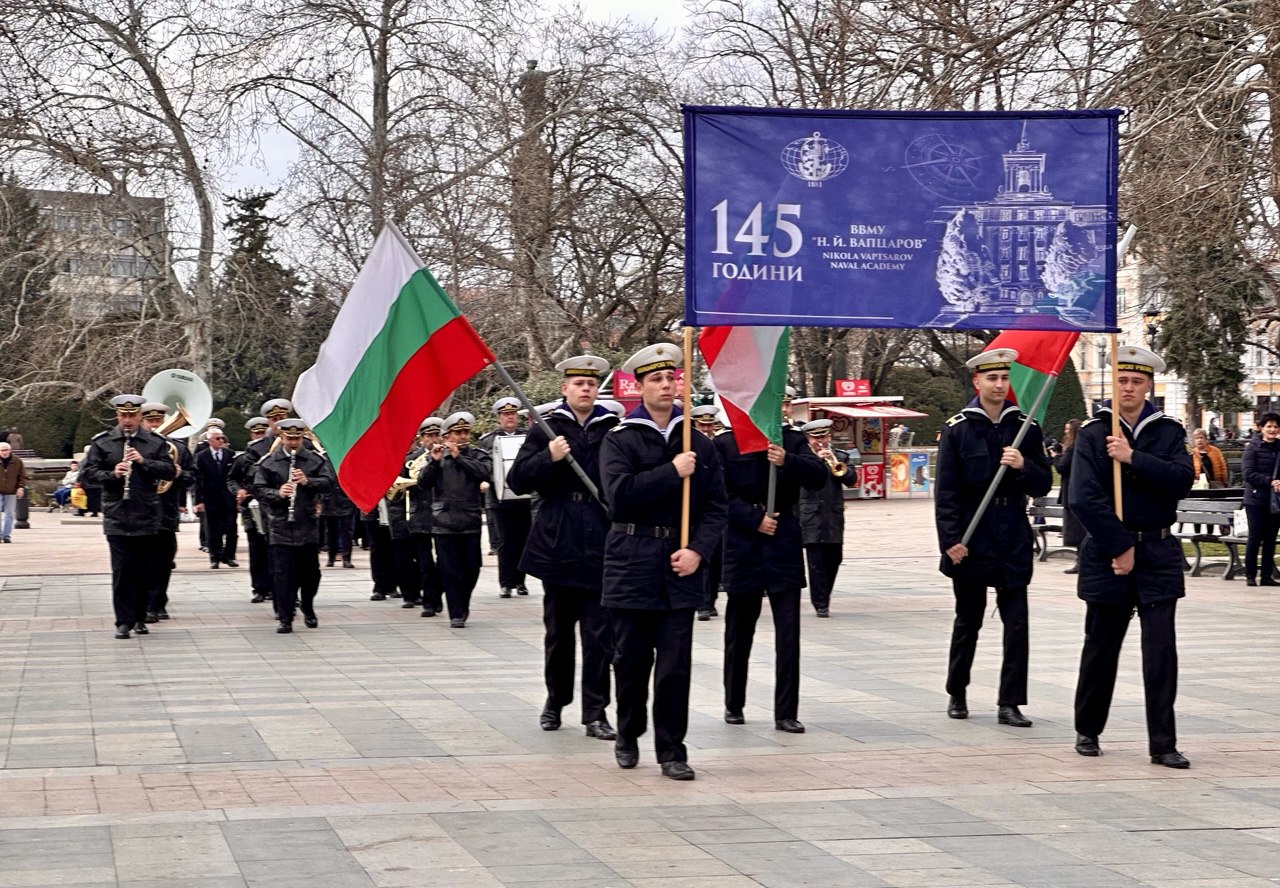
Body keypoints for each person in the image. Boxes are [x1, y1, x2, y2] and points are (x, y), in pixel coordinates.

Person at [599, 343, 728, 780]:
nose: (666, 385)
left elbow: (716, 507)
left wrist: (698, 551)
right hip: (631, 561)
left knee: (674, 667)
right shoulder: (619, 438)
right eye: (656, 379)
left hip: (679, 564)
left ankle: (672, 750)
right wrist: (672, 471)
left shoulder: (697, 441)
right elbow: (619, 497)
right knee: (630, 663)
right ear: (639, 387)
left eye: (671, 378)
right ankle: (628, 732)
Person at [1069, 344, 1194, 768]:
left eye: (1137, 381)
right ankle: (1088, 728)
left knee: (1161, 654)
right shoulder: (1093, 432)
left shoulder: (1168, 431)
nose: (1128, 387)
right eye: (1122, 380)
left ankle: (1163, 743)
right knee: (1101, 647)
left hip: (1157, 551)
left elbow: (1180, 480)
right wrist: (1120, 546)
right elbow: (1083, 497)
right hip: (1109, 555)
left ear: (1148, 387)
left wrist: (1133, 458)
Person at [935, 347, 1051, 727]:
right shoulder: (958, 429)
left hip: (1012, 531)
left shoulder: (1025, 427)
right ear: (977, 382)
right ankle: (957, 691)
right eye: (992, 378)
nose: (999, 385)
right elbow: (947, 491)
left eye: (1004, 378)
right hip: (973, 533)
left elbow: (1043, 483)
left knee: (1017, 623)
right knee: (968, 620)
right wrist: (950, 539)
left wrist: (1023, 465)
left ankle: (1010, 702)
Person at [507, 355, 619, 740]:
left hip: (600, 540)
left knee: (599, 637)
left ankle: (596, 712)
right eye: (578, 384)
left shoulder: (612, 428)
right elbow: (517, 480)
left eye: (591, 384)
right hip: (559, 540)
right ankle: (555, 701)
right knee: (558, 634)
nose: (586, 389)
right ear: (565, 389)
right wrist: (548, 457)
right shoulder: (547, 428)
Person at [717, 400, 826, 733]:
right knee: (739, 631)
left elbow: (818, 477)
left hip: (783, 540)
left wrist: (787, 460)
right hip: (744, 543)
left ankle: (786, 711)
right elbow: (718, 494)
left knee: (788, 633)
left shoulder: (790, 439)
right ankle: (734, 702)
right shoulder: (726, 442)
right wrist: (753, 519)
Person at [79, 394, 177, 639]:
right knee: (122, 571)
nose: (127, 420)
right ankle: (123, 621)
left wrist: (144, 462)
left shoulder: (154, 442)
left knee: (145, 570)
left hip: (147, 514)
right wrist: (112, 474)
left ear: (140, 416)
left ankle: (141, 617)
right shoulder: (103, 442)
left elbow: (169, 471)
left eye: (132, 415)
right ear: (117, 415)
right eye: (123, 415)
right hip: (117, 515)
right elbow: (87, 474)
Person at [250, 418, 334, 633]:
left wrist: (308, 482)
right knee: (283, 574)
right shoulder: (269, 462)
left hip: (307, 524)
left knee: (311, 574)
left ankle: (307, 605)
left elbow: (329, 483)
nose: (294, 443)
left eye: (297, 438)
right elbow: (258, 489)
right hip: (280, 525)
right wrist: (277, 493)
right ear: (281, 437)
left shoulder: (314, 460)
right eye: (289, 439)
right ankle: (285, 617)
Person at [419, 412, 491, 628]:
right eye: (457, 432)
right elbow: (423, 483)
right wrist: (434, 462)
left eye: (465, 432)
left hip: (470, 521)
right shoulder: (437, 457)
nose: (462, 436)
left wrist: (460, 457)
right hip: (444, 522)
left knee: (472, 568)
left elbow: (485, 472)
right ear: (447, 436)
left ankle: (463, 603)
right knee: (449, 570)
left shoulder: (477, 455)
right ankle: (456, 613)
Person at [140, 402, 196, 622]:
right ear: (142, 422)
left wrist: (179, 473)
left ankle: (158, 602)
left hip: (166, 511)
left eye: (158, 421)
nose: (154, 425)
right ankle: (146, 603)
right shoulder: (135, 447)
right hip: (141, 511)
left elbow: (193, 477)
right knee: (143, 560)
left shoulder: (178, 448)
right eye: (150, 421)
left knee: (164, 560)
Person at [798, 419, 859, 617]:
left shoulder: (840, 456)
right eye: (815, 438)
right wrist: (816, 461)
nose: (820, 441)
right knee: (816, 562)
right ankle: (820, 603)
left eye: (823, 437)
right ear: (808, 439)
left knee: (834, 559)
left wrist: (836, 463)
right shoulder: (802, 458)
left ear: (829, 437)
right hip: (811, 514)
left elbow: (852, 480)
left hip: (833, 515)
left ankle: (825, 595)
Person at [478, 397, 534, 598]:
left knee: (523, 541)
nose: (510, 417)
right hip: (499, 500)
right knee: (505, 543)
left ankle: (521, 582)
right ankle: (506, 583)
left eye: (512, 414)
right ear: (499, 417)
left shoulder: (527, 436)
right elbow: (485, 467)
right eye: (505, 414)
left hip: (523, 499)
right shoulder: (488, 440)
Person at [228, 417, 273, 603]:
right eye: (257, 433)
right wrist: (238, 490)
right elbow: (232, 479)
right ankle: (259, 588)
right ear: (251, 435)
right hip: (252, 508)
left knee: (276, 550)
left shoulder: (275, 456)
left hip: (272, 507)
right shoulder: (243, 458)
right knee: (257, 549)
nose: (259, 437)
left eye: (263, 433)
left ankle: (278, 588)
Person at [405, 418, 444, 616]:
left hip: (443, 516)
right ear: (421, 438)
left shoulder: (448, 456)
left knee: (444, 562)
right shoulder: (412, 459)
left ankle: (437, 594)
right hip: (420, 514)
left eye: (436, 435)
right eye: (429, 436)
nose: (433, 439)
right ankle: (429, 602)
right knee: (425, 564)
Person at [689, 405, 725, 621]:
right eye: (702, 425)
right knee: (700, 556)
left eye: (709, 425)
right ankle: (702, 603)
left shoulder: (719, 445)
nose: (706, 429)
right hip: (696, 509)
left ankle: (710, 601)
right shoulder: (690, 444)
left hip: (715, 510)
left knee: (716, 559)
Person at [1241, 412, 1280, 587]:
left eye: (1276, 426)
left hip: (1275, 500)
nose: (1272, 429)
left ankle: (1266, 575)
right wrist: (1270, 481)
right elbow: (1248, 474)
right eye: (1269, 426)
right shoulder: (1252, 448)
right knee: (1255, 537)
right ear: (1261, 428)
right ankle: (1250, 574)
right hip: (1255, 500)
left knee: (1270, 539)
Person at [195, 428, 239, 569]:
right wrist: (199, 501)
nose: (221, 440)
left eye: (222, 438)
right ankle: (215, 558)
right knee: (213, 529)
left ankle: (229, 556)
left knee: (231, 527)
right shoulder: (201, 456)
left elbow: (235, 476)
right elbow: (198, 480)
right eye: (217, 438)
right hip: (211, 498)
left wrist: (237, 494)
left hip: (229, 498)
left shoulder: (230, 454)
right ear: (210, 441)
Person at [1057, 419, 1087, 575]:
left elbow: (1062, 466)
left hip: (1071, 492)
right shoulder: (1078, 446)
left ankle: (1081, 562)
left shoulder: (1073, 447)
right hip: (1073, 491)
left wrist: (1055, 456)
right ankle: (1080, 561)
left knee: (1077, 530)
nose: (1065, 432)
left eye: (1068, 429)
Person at [0, 442, 27, 541]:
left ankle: (6, 535)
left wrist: (20, 487)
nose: (5, 452)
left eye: (6, 450)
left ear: (10, 450)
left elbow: (22, 475)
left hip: (11, 490)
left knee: (9, 513)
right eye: (2, 450)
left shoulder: (17, 461)